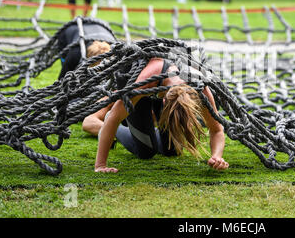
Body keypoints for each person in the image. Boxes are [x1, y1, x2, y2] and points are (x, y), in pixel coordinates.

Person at [82, 57, 229, 173]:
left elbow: (216, 129)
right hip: (136, 80)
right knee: (146, 151)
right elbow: (114, 118)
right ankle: (118, 127)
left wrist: (217, 156)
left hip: (163, 86)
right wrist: (100, 165)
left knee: (171, 150)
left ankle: (154, 132)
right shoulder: (143, 82)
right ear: (164, 101)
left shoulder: (199, 86)